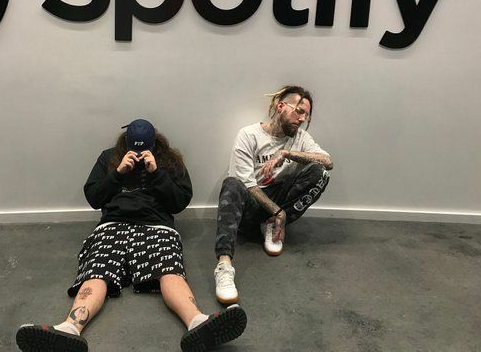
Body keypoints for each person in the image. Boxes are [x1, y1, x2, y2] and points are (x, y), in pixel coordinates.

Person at [17, 119, 247, 352]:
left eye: (143, 149)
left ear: (154, 143)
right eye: (133, 149)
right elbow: (94, 198)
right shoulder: (108, 157)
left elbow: (179, 202)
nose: (138, 155)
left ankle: (197, 322)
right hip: (113, 224)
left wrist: (156, 173)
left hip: (157, 226)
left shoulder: (170, 160)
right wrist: (117, 173)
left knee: (169, 270)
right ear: (125, 143)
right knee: (97, 270)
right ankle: (70, 328)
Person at [213, 86, 333, 304]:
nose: (302, 119)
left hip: (277, 201)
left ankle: (272, 225)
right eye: (299, 111)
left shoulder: (300, 137)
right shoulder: (248, 135)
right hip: (251, 206)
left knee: (320, 173)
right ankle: (224, 265)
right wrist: (278, 211)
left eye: (306, 115)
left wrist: (287, 153)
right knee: (231, 184)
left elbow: (328, 161)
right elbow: (248, 185)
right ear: (280, 106)